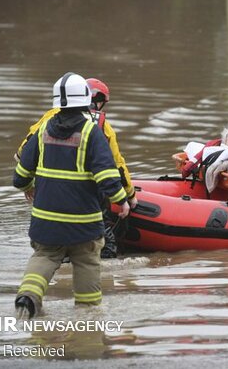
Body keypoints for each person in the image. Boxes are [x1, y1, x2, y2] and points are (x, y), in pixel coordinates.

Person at [13, 72, 130, 319]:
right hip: (83, 221)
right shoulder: (92, 131)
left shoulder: (43, 127)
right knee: (87, 260)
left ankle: (27, 298)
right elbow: (108, 173)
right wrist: (121, 199)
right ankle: (87, 316)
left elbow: (22, 171)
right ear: (86, 99)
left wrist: (26, 186)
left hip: (46, 219)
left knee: (44, 256)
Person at [15, 77, 137, 258]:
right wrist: (128, 195)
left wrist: (28, 184)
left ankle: (60, 275)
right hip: (85, 199)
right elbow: (116, 166)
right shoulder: (101, 127)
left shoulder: (50, 118)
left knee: (50, 250)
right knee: (103, 243)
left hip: (48, 196)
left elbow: (22, 153)